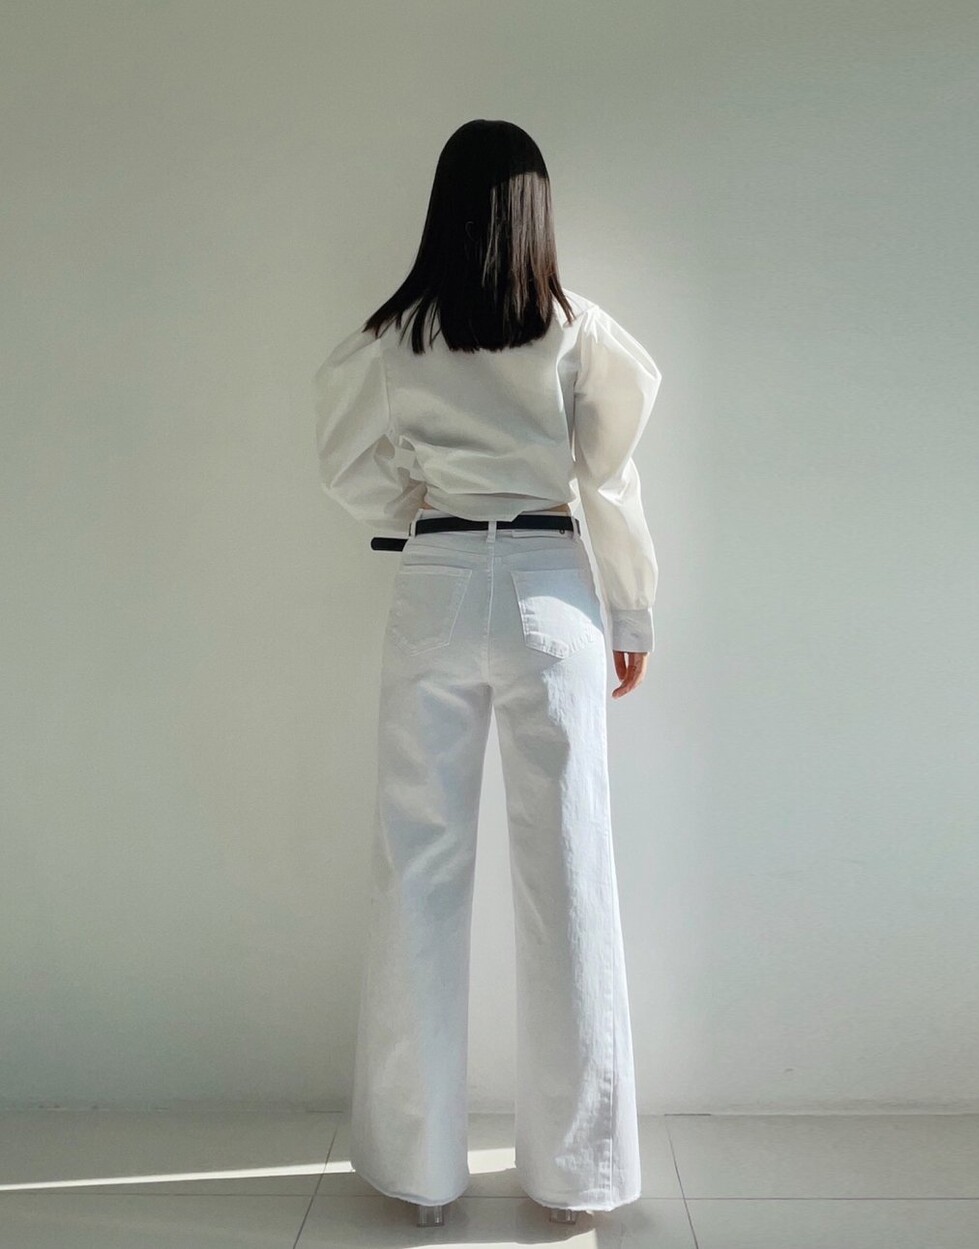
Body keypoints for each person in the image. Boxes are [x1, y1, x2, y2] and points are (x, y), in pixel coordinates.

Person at [313, 119, 660, 1228]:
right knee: (569, 871)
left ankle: (419, 1168)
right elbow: (609, 480)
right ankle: (576, 1176)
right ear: (532, 210)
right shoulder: (575, 329)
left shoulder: (396, 336)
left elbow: (345, 465)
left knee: (416, 867)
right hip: (552, 588)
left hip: (438, 578)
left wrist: (412, 498)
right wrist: (632, 609)